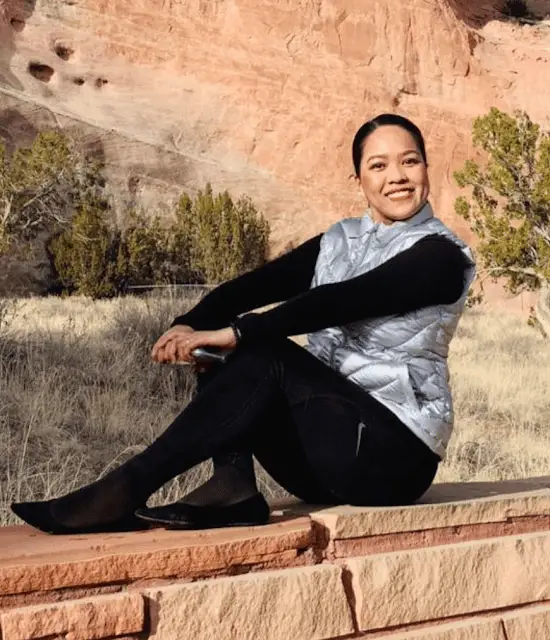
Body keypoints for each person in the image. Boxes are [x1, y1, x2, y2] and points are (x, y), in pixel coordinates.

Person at [11, 113, 475, 535]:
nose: (397, 176)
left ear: (426, 168)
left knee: (261, 350)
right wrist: (188, 325)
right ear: (358, 179)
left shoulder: (441, 256)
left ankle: (124, 489)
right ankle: (231, 488)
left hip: (393, 459)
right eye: (378, 165)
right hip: (323, 456)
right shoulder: (341, 240)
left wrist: (237, 332)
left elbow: (342, 300)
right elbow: (254, 286)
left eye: (409, 161)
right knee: (226, 351)